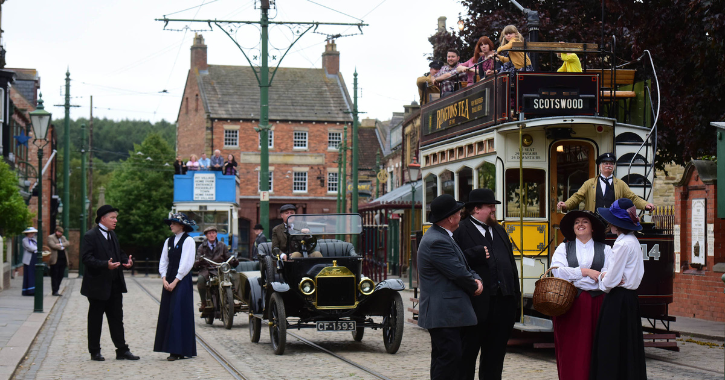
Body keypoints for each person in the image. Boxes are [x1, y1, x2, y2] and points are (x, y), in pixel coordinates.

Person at [452, 189, 519, 380]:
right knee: (467, 356)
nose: (493, 210)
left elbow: (511, 266)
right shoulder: (461, 231)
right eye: (490, 206)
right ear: (476, 209)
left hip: (502, 304)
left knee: (495, 358)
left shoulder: (498, 230)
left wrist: (515, 298)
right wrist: (475, 254)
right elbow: (452, 263)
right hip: (475, 306)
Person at [417, 194, 483, 380]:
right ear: (450, 218)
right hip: (444, 313)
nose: (461, 215)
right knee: (448, 359)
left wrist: (476, 278)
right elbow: (458, 272)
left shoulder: (443, 237)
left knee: (444, 358)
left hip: (446, 314)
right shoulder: (437, 241)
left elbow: (465, 267)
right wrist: (474, 285)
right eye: (458, 212)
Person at [549, 210, 612, 380]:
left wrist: (584, 276)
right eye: (577, 222)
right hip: (570, 304)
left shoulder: (606, 249)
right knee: (571, 348)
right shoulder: (564, 247)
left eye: (585, 222)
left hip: (597, 302)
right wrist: (585, 272)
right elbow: (557, 271)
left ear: (592, 228)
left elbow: (608, 275)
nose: (580, 225)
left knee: (596, 347)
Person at [590, 198, 647, 379]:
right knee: (628, 347)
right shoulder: (633, 241)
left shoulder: (622, 244)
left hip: (617, 300)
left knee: (611, 346)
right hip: (630, 300)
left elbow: (610, 281)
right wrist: (608, 275)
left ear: (616, 223)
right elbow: (635, 274)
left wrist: (602, 278)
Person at [80, 205, 139, 361]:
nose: (115, 220)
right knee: (95, 320)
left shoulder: (113, 235)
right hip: (97, 286)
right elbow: (86, 258)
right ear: (102, 218)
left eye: (115, 217)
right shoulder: (90, 236)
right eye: (112, 217)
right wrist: (105, 264)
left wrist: (126, 261)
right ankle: (94, 351)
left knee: (116, 318)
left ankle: (122, 350)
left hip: (114, 285)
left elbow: (119, 253)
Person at [154, 213, 197, 361]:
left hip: (181, 280)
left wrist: (176, 280)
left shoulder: (189, 241)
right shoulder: (169, 241)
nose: (171, 225)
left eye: (173, 223)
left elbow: (187, 262)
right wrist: (164, 278)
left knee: (178, 312)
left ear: (182, 225)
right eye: (171, 223)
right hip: (169, 279)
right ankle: (169, 347)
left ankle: (179, 349)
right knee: (168, 311)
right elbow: (163, 261)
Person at [557, 153, 655, 213]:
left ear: (614, 167)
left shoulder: (621, 184)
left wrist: (645, 205)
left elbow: (632, 198)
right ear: (600, 166)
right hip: (594, 220)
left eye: (611, 163)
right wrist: (566, 205)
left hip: (613, 221)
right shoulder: (589, 183)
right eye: (605, 163)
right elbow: (577, 197)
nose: (608, 165)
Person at [194, 226, 241, 310]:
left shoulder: (222, 245)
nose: (211, 235)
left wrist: (234, 261)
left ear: (216, 234)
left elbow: (228, 257)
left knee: (232, 278)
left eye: (213, 233)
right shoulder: (201, 247)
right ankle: (203, 302)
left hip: (220, 269)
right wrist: (199, 261)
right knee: (201, 280)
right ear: (206, 235)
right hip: (206, 269)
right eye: (209, 233)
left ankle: (231, 300)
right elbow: (197, 259)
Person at [48, 226, 71, 296]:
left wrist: (60, 244)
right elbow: (53, 246)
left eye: (61, 232)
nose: (60, 233)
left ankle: (57, 289)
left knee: (61, 275)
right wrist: (61, 246)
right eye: (58, 232)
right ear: (55, 231)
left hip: (63, 259)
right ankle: (54, 290)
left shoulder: (63, 237)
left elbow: (68, 243)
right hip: (55, 260)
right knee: (54, 275)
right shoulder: (51, 237)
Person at [21, 227, 38, 296]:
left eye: (33, 233)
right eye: (31, 233)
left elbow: (38, 246)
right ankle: (28, 290)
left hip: (34, 257)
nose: (32, 234)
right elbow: (29, 248)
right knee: (29, 273)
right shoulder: (24, 240)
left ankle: (33, 289)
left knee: (34, 273)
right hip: (28, 259)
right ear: (27, 234)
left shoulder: (34, 240)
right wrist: (35, 249)